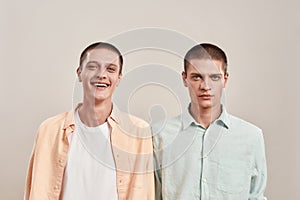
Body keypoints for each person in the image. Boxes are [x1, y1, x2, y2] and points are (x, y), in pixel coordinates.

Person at [25, 42, 155, 200]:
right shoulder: (49, 130)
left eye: (111, 69)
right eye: (93, 67)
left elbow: (143, 193)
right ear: (79, 73)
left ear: (119, 78)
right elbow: (37, 191)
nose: (102, 75)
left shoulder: (138, 132)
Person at [153, 43, 267, 199]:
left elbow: (256, 196)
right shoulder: (160, 135)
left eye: (214, 77)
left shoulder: (251, 136)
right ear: (185, 78)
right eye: (197, 77)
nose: (205, 86)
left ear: (225, 79)